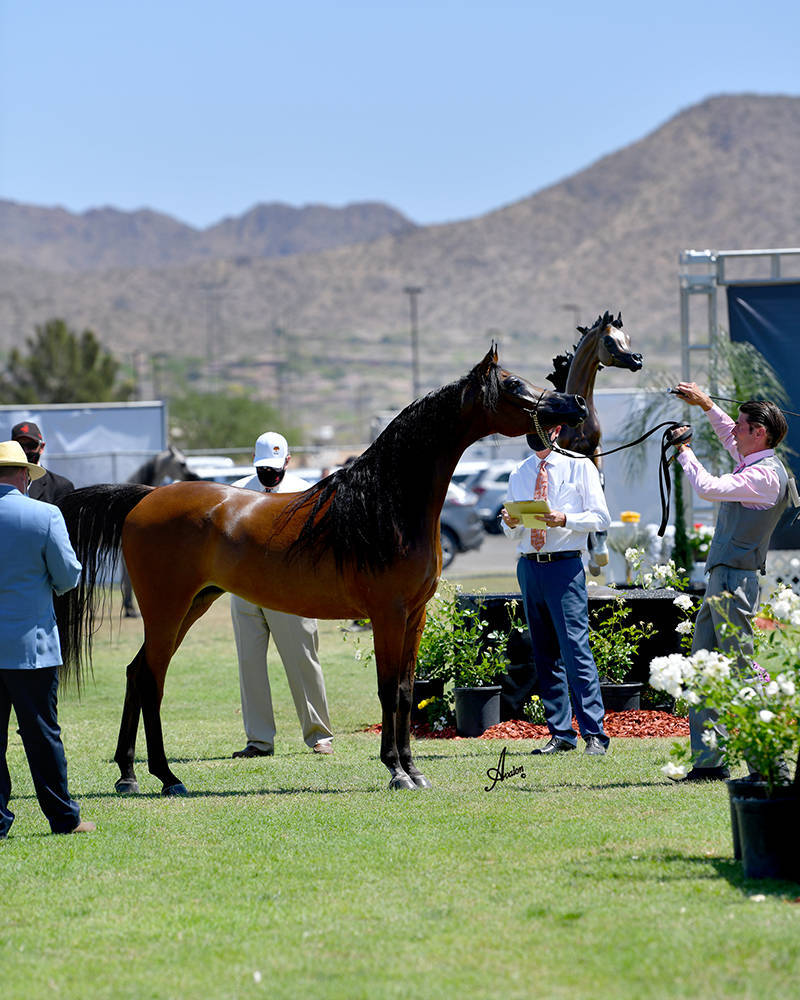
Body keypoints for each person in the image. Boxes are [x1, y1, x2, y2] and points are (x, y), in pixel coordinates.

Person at [670, 384, 790, 781]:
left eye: (741, 425)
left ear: (760, 432)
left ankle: (768, 761)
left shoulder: (764, 477)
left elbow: (707, 487)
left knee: (740, 669)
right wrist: (706, 405)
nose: (734, 431)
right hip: (723, 577)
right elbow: (727, 437)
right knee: (704, 667)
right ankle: (709, 762)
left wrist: (684, 453)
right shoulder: (758, 463)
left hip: (735, 582)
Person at [0, 440, 94, 837]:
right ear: (23, 475)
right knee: (41, 735)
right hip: (31, 646)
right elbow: (68, 576)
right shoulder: (45, 515)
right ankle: (62, 818)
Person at [501, 427, 612, 756]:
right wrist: (509, 523)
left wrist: (565, 518)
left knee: (575, 650)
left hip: (564, 565)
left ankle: (594, 733)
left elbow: (601, 517)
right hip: (529, 565)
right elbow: (511, 530)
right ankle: (561, 732)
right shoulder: (519, 471)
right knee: (544, 652)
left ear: (556, 430)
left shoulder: (579, 466)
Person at [230, 432, 334, 758]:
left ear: (288, 461)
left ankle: (319, 736)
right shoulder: (236, 491)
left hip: (291, 590)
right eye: (264, 468)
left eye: (275, 468)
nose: (270, 475)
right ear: (253, 460)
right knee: (249, 665)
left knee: (303, 660)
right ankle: (258, 741)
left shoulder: (304, 491)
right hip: (245, 588)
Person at [11, 421, 75, 504]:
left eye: (31, 445)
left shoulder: (60, 486)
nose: (25, 451)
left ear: (41, 447)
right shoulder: (4, 482)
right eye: (20, 446)